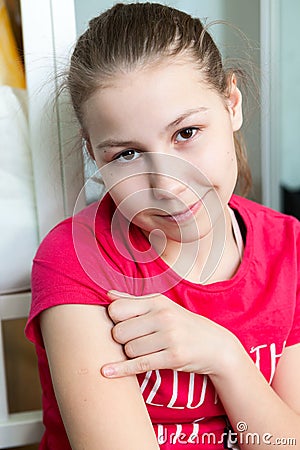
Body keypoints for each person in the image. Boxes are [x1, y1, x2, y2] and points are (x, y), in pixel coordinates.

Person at [25, 3, 300, 449]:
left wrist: (224, 357)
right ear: (95, 155)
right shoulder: (77, 259)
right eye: (127, 154)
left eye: (186, 133)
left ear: (232, 104)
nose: (167, 185)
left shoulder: (289, 247)